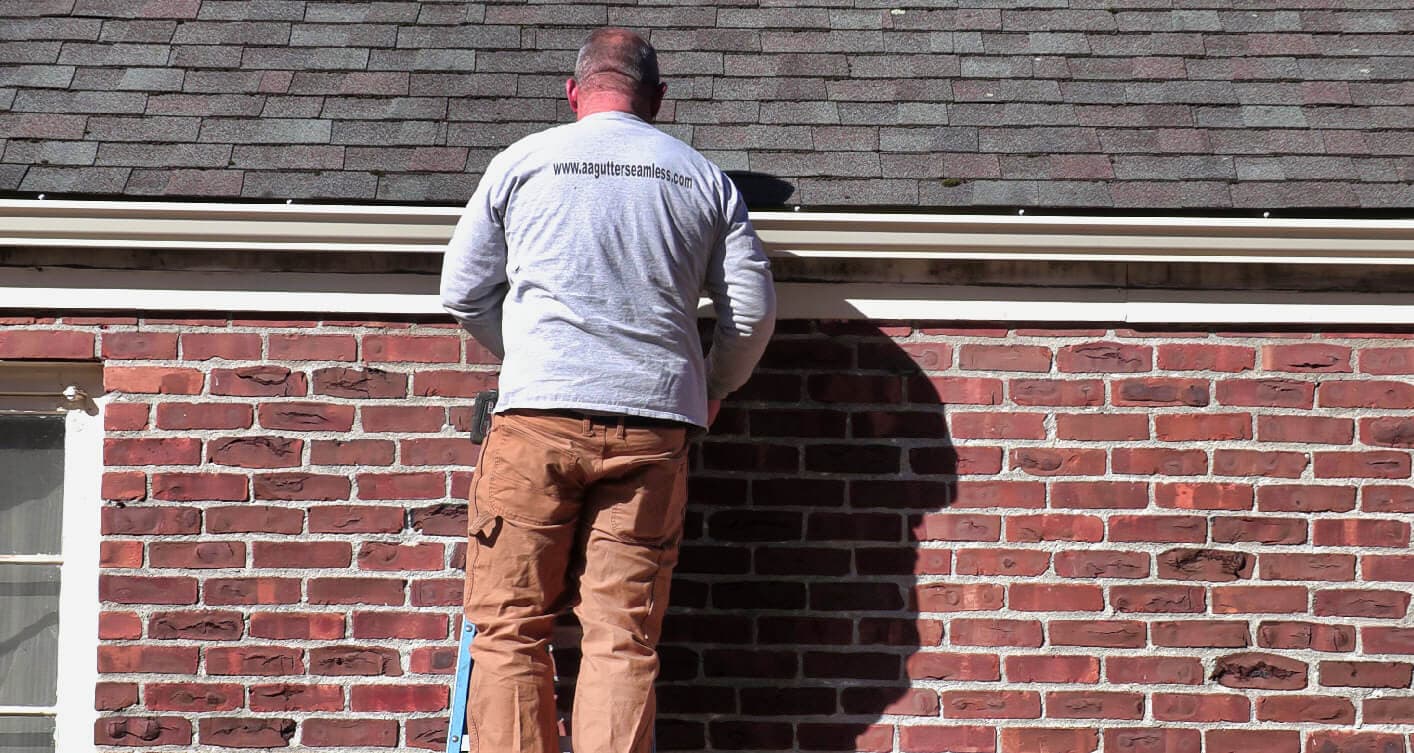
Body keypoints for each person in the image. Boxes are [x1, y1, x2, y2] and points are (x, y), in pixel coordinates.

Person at [439, 27, 776, 753]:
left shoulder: (523, 162)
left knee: (508, 626)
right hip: (654, 424)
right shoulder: (701, 179)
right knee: (622, 636)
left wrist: (532, 357)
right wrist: (713, 386)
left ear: (573, 92)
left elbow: (462, 290)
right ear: (657, 98)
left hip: (536, 420)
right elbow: (750, 314)